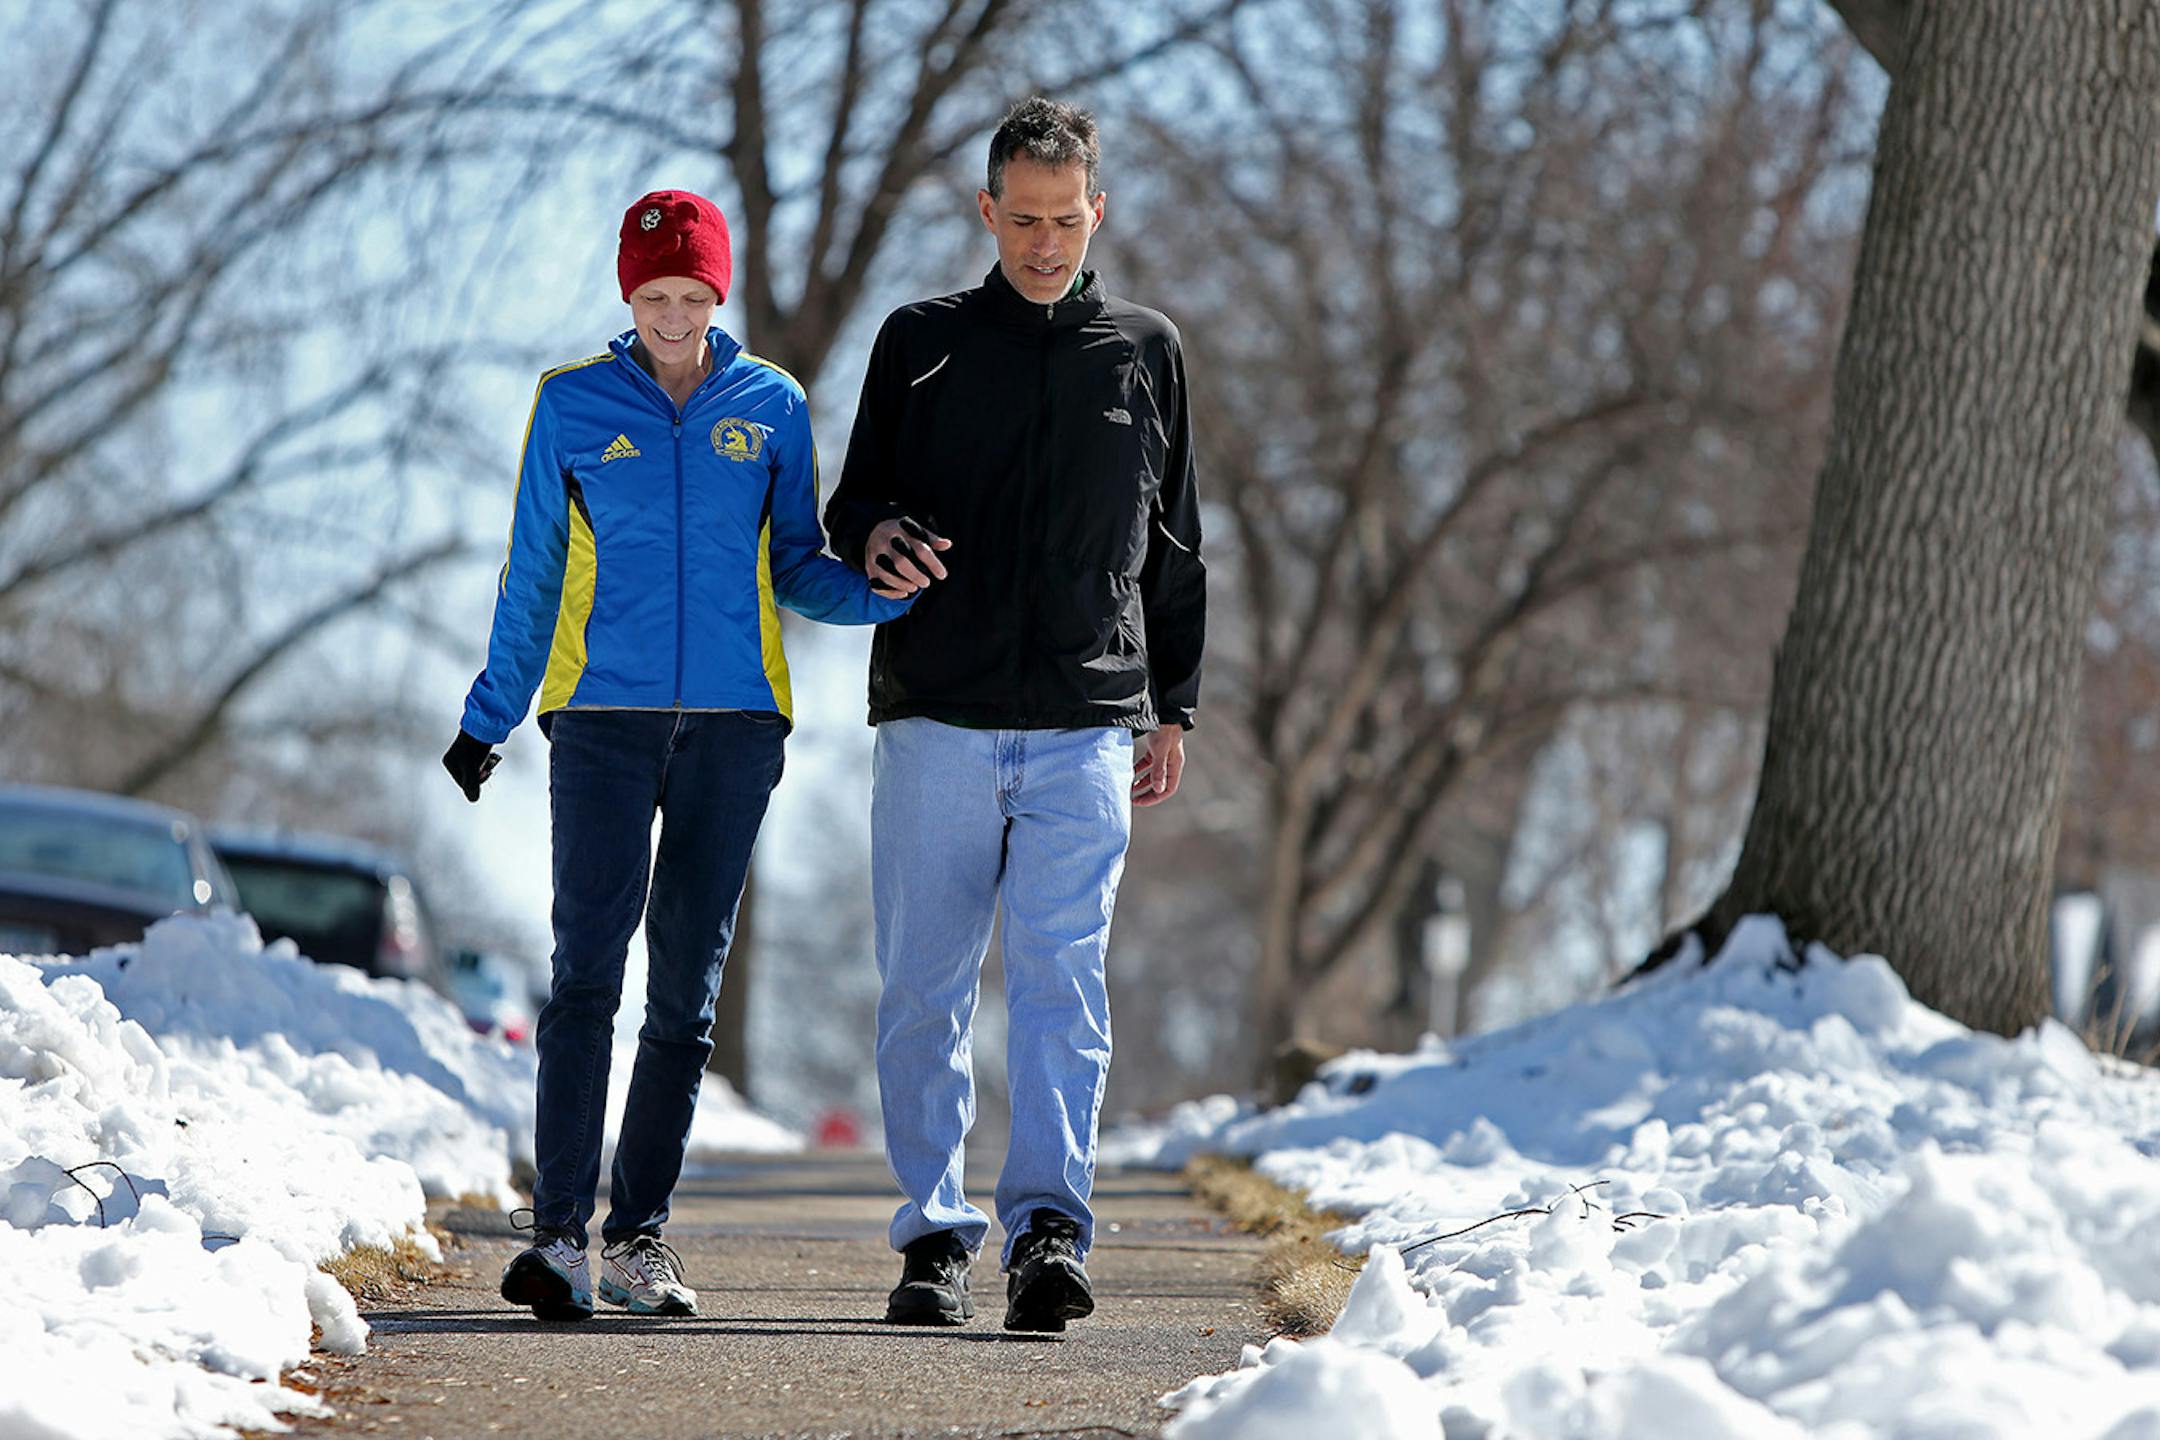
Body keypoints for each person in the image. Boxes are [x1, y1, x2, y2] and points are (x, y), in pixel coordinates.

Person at [443, 189, 911, 1322]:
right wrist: (489, 717)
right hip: (599, 721)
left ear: (718, 292)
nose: (671, 313)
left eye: (691, 294)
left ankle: (639, 1239)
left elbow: (797, 560)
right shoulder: (569, 405)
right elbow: (533, 573)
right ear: (627, 294)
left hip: (738, 730)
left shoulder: (772, 406)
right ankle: (558, 1237)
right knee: (587, 974)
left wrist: (884, 599)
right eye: (653, 295)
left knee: (686, 996)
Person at [825, 97, 1206, 1332]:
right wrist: (875, 537)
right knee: (925, 990)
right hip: (936, 711)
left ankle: (1048, 1232)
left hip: (1088, 721)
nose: (1046, 243)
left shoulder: (1146, 351)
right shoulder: (919, 340)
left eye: (1066, 219)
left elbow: (1177, 547)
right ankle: (935, 1239)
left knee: (1062, 986)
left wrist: (1173, 708)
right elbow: (852, 509)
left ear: (1099, 212)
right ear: (987, 213)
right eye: (1024, 219)